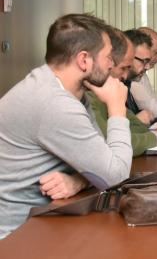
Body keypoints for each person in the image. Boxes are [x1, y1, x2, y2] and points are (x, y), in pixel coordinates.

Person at [0, 13, 132, 239]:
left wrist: (79, 181)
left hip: (49, 218)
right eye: (108, 57)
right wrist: (117, 107)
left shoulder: (67, 92)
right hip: (18, 236)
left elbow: (101, 161)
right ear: (84, 60)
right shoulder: (54, 103)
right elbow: (116, 175)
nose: (112, 64)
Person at [88, 30, 157, 156]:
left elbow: (139, 128)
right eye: (124, 67)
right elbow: (111, 145)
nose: (125, 75)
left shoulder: (109, 88)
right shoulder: (88, 95)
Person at [122, 29, 156, 124]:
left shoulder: (126, 83)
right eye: (144, 61)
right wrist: (136, 121)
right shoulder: (106, 87)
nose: (148, 67)